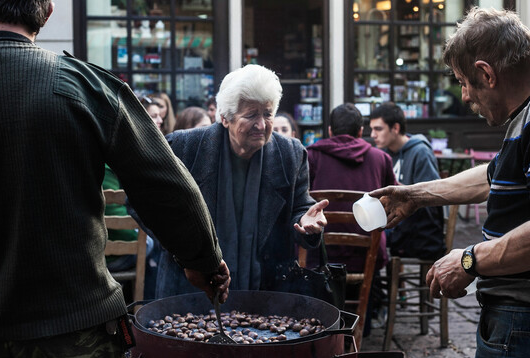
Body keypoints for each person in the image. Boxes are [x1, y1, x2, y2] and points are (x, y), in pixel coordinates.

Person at [0, 0, 230, 358]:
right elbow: (166, 186)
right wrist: (204, 263)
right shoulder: (85, 88)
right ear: (47, 12)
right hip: (73, 331)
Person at [371, 7, 530, 358]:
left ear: (486, 73)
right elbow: (494, 175)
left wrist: (469, 261)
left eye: (463, 82)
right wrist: (415, 195)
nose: (464, 96)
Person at [153, 63, 329, 298]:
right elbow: (145, 203)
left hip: (266, 291)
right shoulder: (184, 147)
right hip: (190, 290)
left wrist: (307, 222)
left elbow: (300, 207)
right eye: (251, 115)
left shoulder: (290, 154)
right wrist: (186, 251)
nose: (262, 125)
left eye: (267, 114)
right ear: (225, 118)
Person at [306, 103, 396, 334]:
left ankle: (320, 326)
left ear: (329, 131)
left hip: (322, 256)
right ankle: (361, 328)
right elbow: (393, 202)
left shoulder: (311, 156)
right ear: (360, 132)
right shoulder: (381, 158)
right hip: (367, 254)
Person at [369, 102, 446, 260]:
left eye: (378, 129)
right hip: (395, 226)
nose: (372, 135)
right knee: (357, 231)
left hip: (417, 232)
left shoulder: (420, 152)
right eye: (371, 129)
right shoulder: (382, 154)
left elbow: (432, 197)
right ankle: (370, 281)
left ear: (395, 128)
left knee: (366, 238)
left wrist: (402, 192)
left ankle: (371, 282)